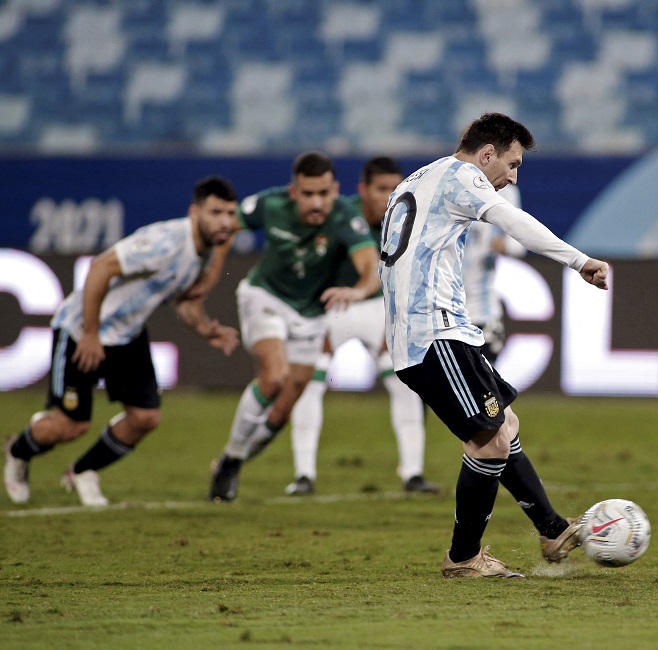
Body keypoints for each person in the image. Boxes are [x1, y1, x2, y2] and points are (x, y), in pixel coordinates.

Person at [379, 112, 610, 578]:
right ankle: (463, 558)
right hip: (433, 331)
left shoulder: (420, 177)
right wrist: (579, 261)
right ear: (487, 154)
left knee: (504, 423)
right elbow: (512, 220)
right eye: (513, 163)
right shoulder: (462, 176)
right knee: (488, 442)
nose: (513, 177)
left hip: (435, 330)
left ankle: (552, 529)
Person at [3, 177, 241, 507]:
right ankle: (18, 451)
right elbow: (100, 268)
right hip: (81, 329)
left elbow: (184, 300)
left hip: (127, 334)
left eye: (230, 213)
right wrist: (90, 333)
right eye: (216, 212)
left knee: (145, 417)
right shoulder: (165, 242)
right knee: (71, 426)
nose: (225, 222)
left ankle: (83, 471)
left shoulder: (204, 252)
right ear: (194, 212)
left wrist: (205, 329)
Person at [208, 151, 380, 502]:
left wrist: (358, 291)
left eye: (324, 193)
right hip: (265, 296)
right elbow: (222, 227)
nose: (316, 202)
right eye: (308, 194)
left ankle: (231, 460)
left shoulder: (346, 218)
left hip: (312, 312)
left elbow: (371, 267)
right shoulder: (270, 205)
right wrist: (210, 272)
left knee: (286, 403)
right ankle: (231, 460)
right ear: (293, 192)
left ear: (335, 190)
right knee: (274, 378)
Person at [286, 156, 440, 496]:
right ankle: (304, 475)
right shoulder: (339, 213)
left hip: (378, 309)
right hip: (333, 308)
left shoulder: (408, 216)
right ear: (363, 190)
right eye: (381, 188)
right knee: (310, 382)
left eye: (395, 188)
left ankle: (413, 474)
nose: (390, 196)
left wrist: (397, 318)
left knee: (407, 384)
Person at [462, 185, 526, 365]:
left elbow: (519, 241)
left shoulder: (506, 192)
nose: (512, 177)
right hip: (445, 309)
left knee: (486, 377)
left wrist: (505, 246)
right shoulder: (450, 184)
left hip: (483, 310)